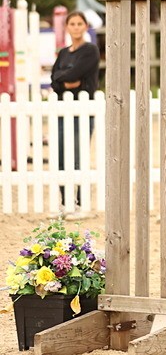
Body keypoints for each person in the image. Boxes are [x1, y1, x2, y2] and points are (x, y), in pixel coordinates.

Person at [50, 11, 100, 214]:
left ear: (85, 26)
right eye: (72, 23)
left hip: (83, 111)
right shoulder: (63, 53)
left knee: (78, 155)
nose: (76, 27)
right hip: (63, 110)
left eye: (80, 23)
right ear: (67, 27)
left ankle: (80, 202)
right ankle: (65, 201)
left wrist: (63, 78)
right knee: (62, 156)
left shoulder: (90, 50)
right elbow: (54, 80)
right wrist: (65, 82)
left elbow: (75, 74)